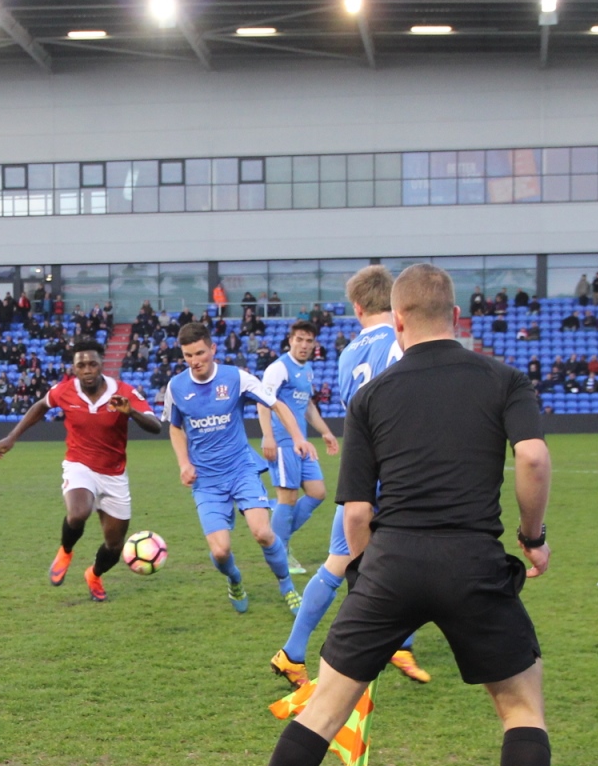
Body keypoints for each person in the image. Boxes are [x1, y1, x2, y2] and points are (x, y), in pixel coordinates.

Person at [214, 264, 562, 766]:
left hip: (392, 561)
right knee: (521, 708)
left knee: (322, 708)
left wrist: (375, 576)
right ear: (456, 316)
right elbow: (534, 459)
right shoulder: (503, 378)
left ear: (397, 321)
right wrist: (533, 538)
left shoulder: (371, 396)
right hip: (471, 560)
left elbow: (354, 515)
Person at [271, 266, 429, 688]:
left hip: (362, 470)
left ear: (357, 307)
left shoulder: (346, 355)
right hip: (395, 472)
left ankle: (294, 652)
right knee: (413, 557)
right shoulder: (401, 342)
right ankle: (397, 641)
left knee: (343, 562)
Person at [0, 337, 161, 603]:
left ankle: (94, 575)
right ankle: (66, 550)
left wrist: (131, 413)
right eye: (81, 365)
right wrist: (12, 436)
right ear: (74, 367)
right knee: (78, 512)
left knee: (114, 545)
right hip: (79, 465)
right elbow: (40, 406)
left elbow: (155, 426)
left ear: (101, 364)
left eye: (92, 364)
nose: (87, 370)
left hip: (114, 474)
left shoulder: (123, 392)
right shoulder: (64, 390)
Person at [166, 322, 311, 615]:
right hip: (206, 479)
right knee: (220, 551)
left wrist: (297, 437)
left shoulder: (237, 378)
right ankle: (234, 579)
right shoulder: (177, 387)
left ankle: (286, 585)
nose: (195, 361)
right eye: (188, 356)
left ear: (213, 349)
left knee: (263, 534)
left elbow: (276, 404)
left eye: (200, 353)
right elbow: (175, 427)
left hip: (241, 470)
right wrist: (184, 463)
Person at [258, 322, 340, 575]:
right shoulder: (278, 368)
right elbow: (263, 402)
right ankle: (281, 553)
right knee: (288, 498)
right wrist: (268, 437)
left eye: (309, 341)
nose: (304, 345)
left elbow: (308, 406)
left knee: (318, 493)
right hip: (283, 442)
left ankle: (276, 536)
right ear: (290, 340)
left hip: (301, 442)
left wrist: (325, 432)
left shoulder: (307, 371)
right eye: (300, 340)